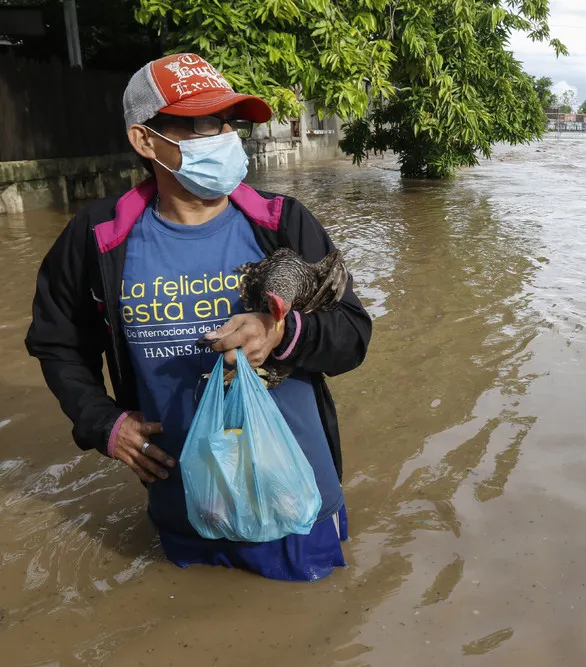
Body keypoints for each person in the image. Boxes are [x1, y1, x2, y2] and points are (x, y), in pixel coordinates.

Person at [24, 53, 372, 581]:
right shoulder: (98, 239)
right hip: (188, 507)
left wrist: (279, 333)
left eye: (225, 123)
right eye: (198, 124)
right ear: (145, 140)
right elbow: (57, 344)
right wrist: (105, 423)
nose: (222, 137)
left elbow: (353, 335)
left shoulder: (281, 224)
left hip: (296, 498)